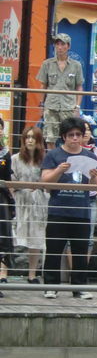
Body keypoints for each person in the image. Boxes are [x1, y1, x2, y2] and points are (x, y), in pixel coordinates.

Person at [41, 117, 97, 300]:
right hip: (58, 210)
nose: (75, 138)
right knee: (54, 250)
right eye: (71, 135)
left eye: (78, 135)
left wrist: (93, 177)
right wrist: (59, 170)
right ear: (63, 137)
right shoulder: (53, 155)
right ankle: (50, 286)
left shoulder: (91, 156)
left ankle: (79, 287)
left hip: (81, 211)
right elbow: (45, 182)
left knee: (80, 251)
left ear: (83, 136)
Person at [11, 126, 48, 284]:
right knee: (11, 236)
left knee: (36, 237)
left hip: (38, 202)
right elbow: (11, 180)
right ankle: (3, 273)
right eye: (27, 137)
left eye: (33, 137)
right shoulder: (15, 158)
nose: (30, 140)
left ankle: (32, 274)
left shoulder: (44, 159)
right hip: (19, 200)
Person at [36, 33, 84, 150]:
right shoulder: (47, 64)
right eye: (57, 44)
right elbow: (43, 85)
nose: (59, 47)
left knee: (70, 136)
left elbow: (79, 86)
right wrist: (41, 105)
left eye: (63, 44)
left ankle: (68, 158)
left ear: (68, 46)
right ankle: (53, 158)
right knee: (50, 138)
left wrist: (77, 107)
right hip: (51, 106)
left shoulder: (76, 65)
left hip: (68, 107)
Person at [82, 120, 97, 260]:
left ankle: (84, 268)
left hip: (91, 197)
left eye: (88, 129)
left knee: (89, 236)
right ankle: (73, 270)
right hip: (76, 196)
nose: (86, 132)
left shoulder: (95, 150)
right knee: (73, 237)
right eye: (83, 130)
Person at [0, 118, 14, 294]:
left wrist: (12, 202)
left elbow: (8, 179)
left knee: (1, 240)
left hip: (1, 198)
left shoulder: (5, 153)